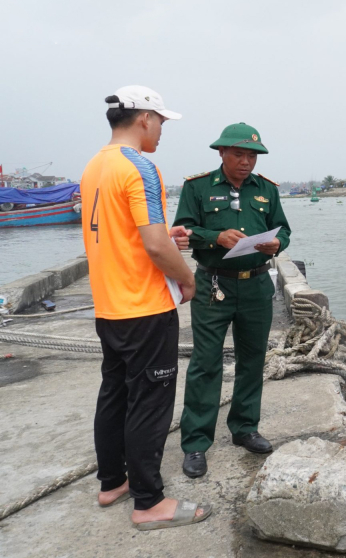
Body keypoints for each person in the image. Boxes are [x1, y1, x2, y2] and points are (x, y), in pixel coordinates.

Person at [81, 85, 212, 529]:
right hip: (144, 307)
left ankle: (111, 481)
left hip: (109, 306)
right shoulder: (140, 166)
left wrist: (163, 241)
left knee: (114, 394)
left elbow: (126, 235)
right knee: (151, 401)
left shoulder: (94, 166)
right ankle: (148, 502)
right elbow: (156, 245)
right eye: (160, 122)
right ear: (143, 119)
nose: (161, 130)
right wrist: (187, 277)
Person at [173, 123, 291, 478]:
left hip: (256, 286)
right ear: (221, 153)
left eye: (252, 155)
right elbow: (184, 231)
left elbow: (282, 228)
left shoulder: (266, 190)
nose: (245, 162)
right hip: (213, 285)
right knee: (205, 364)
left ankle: (244, 428)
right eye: (238, 154)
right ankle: (195, 443)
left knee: (253, 360)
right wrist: (215, 238)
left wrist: (277, 244)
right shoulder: (197, 187)